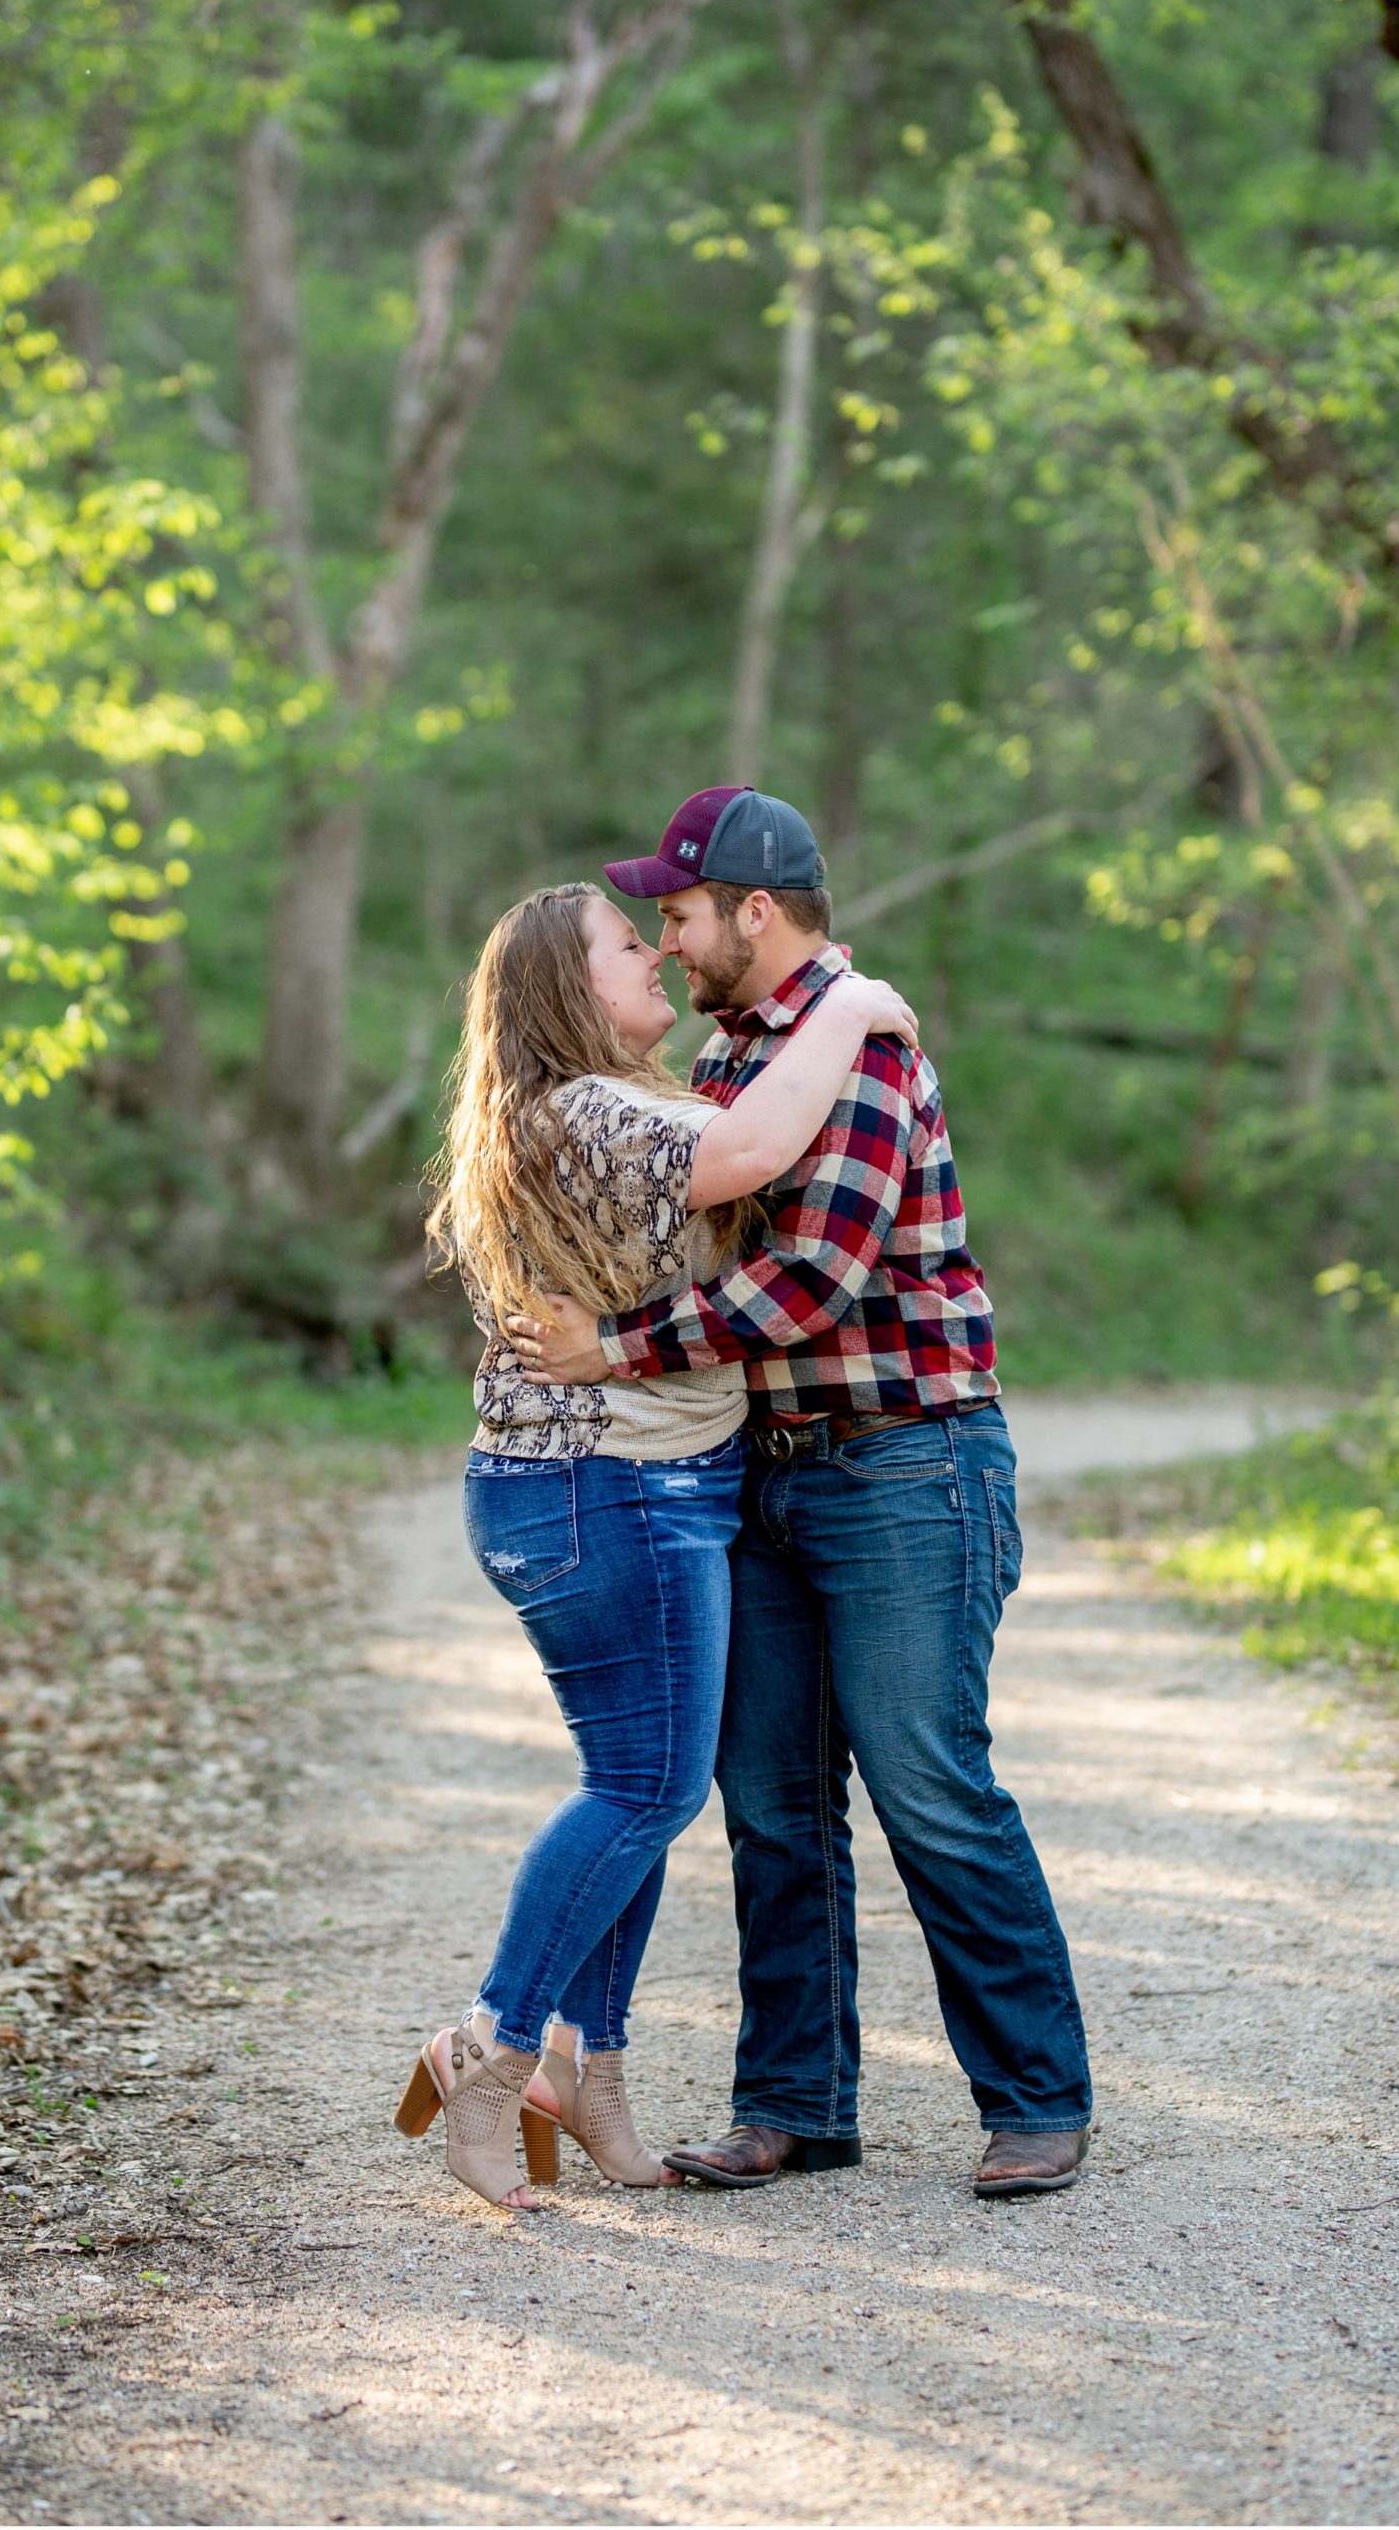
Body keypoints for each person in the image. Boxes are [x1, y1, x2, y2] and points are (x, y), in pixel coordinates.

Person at [507, 789, 1092, 2199]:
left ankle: (1036, 2098)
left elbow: (809, 1280)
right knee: (767, 1801)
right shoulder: (733, 1057)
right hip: (758, 1477)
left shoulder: (861, 1045)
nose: (667, 935)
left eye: (681, 912)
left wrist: (615, 1352)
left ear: (752, 911)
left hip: (906, 1463)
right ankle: (794, 2104)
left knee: (925, 1781)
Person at [399, 878, 918, 2210]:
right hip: (606, 1486)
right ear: (571, 987)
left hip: (603, 1484)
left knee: (637, 1792)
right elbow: (745, 1159)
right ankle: (492, 2047)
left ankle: (591, 2074)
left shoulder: (593, 1102)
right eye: (625, 946)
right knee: (642, 1792)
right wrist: (852, 1001)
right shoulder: (590, 1109)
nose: (651, 957)